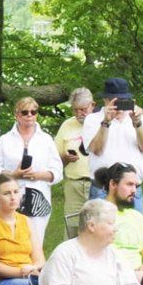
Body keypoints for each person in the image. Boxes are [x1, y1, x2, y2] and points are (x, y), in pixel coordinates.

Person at [0, 97, 61, 258]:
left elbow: (57, 172)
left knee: (35, 240)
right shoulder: (4, 140)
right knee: (10, 237)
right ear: (17, 115)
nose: (29, 115)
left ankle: (34, 274)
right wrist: (13, 175)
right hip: (10, 194)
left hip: (38, 196)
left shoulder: (46, 140)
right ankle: (11, 272)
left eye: (33, 112)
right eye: (25, 112)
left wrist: (37, 175)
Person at [81, 78, 143, 206]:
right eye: (114, 100)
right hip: (102, 189)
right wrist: (106, 122)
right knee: (101, 225)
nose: (118, 105)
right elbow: (97, 149)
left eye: (122, 100)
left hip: (132, 188)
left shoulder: (138, 118)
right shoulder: (92, 119)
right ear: (106, 100)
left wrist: (137, 122)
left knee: (133, 225)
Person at [97, 163, 143, 285]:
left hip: (139, 278)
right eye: (129, 184)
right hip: (108, 277)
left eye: (136, 186)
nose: (134, 190)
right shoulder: (96, 214)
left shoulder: (137, 217)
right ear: (113, 184)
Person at [55, 88, 96, 226]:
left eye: (83, 109)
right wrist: (65, 158)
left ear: (93, 105)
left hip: (97, 184)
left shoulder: (102, 123)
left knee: (98, 226)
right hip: (73, 184)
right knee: (72, 227)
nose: (79, 114)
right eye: (75, 110)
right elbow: (54, 159)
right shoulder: (67, 125)